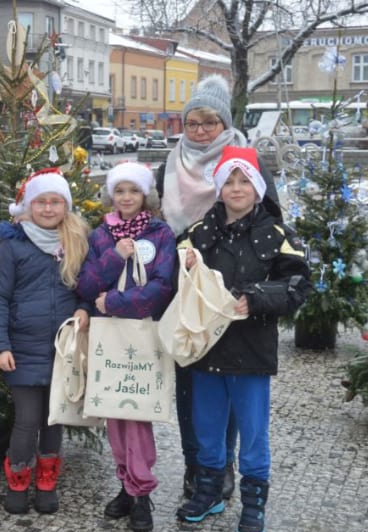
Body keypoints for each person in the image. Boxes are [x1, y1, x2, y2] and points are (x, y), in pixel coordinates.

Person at [156, 75, 282, 500]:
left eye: (209, 122)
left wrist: (256, 289)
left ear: (224, 123)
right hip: (185, 285)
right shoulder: (169, 165)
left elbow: (272, 221)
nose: (200, 131)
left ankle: (223, 465)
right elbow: (161, 230)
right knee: (191, 378)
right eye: (193, 123)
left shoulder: (245, 162)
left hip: (232, 294)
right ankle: (199, 465)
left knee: (227, 378)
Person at [175, 146, 310, 532]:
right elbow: (173, 270)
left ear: (257, 187)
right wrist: (181, 267)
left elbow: (299, 284)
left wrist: (257, 297)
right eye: (229, 181)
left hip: (252, 351)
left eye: (244, 181)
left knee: (253, 432)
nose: (237, 188)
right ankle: (209, 491)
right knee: (207, 426)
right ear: (219, 188)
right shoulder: (199, 233)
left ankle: (253, 504)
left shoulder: (278, 234)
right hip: (207, 349)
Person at [75, 162, 176, 532]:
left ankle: (141, 491)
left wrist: (114, 303)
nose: (127, 198)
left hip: (141, 334)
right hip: (108, 337)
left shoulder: (160, 233)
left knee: (137, 415)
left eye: (133, 191)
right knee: (114, 411)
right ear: (112, 195)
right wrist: (115, 255)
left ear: (145, 195)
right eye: (120, 191)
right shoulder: (101, 235)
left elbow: (162, 287)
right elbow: (86, 284)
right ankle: (126, 486)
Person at [0, 167, 91, 515]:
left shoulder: (75, 241)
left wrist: (84, 309)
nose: (48, 209)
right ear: (29, 206)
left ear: (65, 206)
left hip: (62, 349)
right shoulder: (14, 245)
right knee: (28, 419)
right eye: (41, 202)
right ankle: (18, 479)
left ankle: (46, 481)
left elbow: (87, 288)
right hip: (23, 348)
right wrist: (0, 346)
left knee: (54, 418)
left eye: (55, 202)